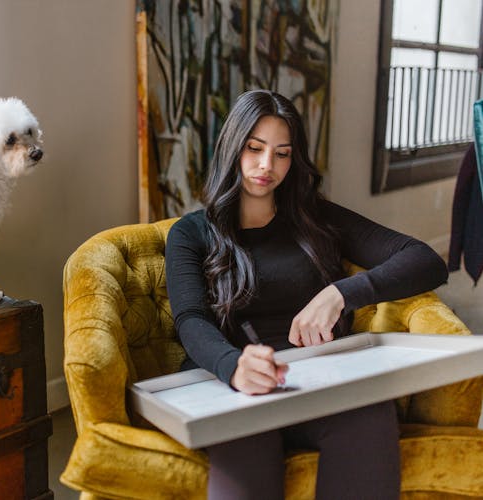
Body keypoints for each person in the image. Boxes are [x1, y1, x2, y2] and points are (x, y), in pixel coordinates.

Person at [165, 89, 448, 500]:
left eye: (282, 153)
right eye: (254, 148)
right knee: (247, 444)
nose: (267, 166)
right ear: (232, 147)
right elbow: (190, 319)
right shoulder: (191, 233)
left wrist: (339, 294)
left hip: (322, 378)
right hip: (231, 384)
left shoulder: (317, 218)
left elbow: (425, 260)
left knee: (371, 417)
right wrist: (233, 366)